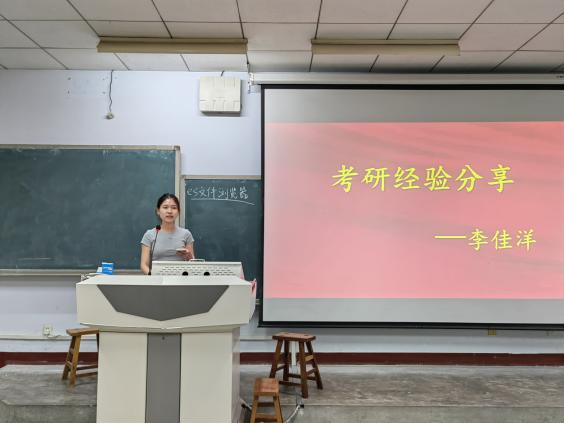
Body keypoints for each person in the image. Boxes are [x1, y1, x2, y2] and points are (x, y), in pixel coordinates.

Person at [140, 193, 195, 275]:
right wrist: (153, 277)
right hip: (157, 279)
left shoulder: (186, 234)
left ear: (178, 211)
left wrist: (189, 256)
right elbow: (144, 265)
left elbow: (193, 264)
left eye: (174, 208)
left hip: (181, 279)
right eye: (165, 207)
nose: (169, 211)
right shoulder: (149, 235)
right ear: (158, 211)